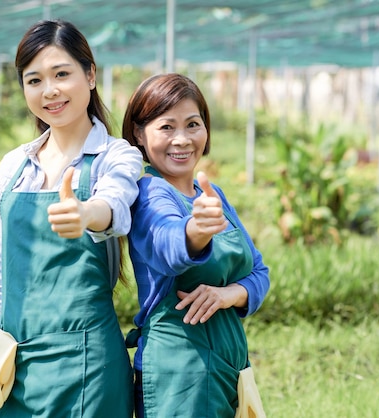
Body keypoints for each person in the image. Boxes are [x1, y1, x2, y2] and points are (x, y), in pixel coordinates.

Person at [0, 19, 142, 418]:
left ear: (90, 75)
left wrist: (84, 213)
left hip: (86, 366)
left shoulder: (117, 156)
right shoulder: (14, 165)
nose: (50, 91)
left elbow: (114, 205)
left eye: (62, 74)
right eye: (34, 80)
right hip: (10, 361)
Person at [121, 73, 270, 418]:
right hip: (180, 371)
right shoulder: (149, 193)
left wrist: (229, 295)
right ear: (140, 134)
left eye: (192, 124)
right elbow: (168, 246)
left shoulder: (212, 195)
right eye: (166, 127)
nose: (182, 139)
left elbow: (260, 272)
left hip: (225, 364)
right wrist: (196, 231)